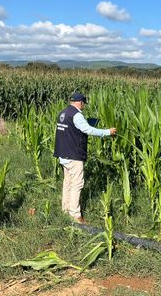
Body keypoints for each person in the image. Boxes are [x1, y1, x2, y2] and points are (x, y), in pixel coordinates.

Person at [53, 92, 116, 224]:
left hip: (63, 153)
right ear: (80, 102)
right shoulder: (76, 115)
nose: (84, 105)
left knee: (68, 183)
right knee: (77, 184)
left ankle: (66, 210)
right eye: (84, 102)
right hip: (74, 155)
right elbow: (88, 130)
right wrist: (107, 132)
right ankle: (76, 215)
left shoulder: (63, 113)